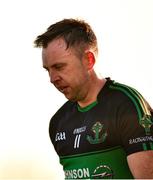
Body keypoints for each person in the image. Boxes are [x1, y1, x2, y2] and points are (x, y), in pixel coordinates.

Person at [34, 18, 153, 179]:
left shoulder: (126, 104)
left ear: (89, 60)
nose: (52, 78)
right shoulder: (58, 121)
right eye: (47, 70)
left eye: (59, 67)